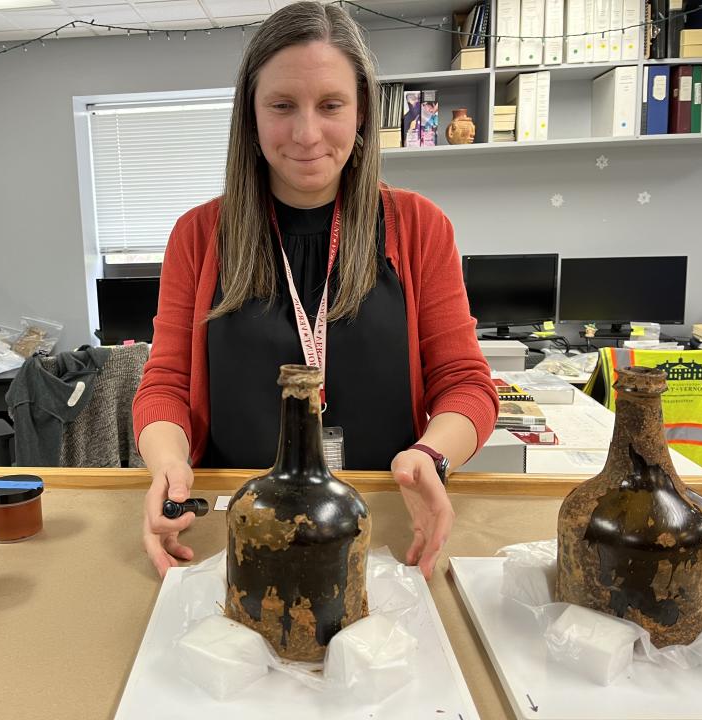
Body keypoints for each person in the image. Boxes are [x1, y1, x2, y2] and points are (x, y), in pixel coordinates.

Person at [133, 1, 498, 580]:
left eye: (331, 105)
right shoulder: (199, 235)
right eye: (282, 106)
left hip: (383, 522)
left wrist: (431, 457)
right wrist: (169, 465)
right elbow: (166, 385)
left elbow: (466, 385)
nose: (307, 134)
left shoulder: (419, 226)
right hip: (239, 523)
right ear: (250, 116)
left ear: (360, 114)